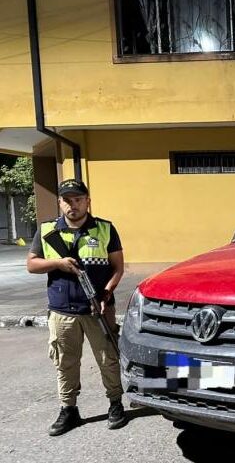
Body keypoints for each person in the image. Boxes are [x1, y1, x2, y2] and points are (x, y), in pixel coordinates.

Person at [27, 179, 128, 436]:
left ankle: (115, 404)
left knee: (108, 359)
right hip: (62, 310)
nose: (73, 205)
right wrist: (58, 263)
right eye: (67, 200)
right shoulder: (47, 230)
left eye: (78, 199)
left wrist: (107, 292)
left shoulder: (104, 229)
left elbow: (118, 268)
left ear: (87, 201)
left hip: (97, 309)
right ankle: (68, 409)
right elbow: (32, 264)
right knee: (65, 362)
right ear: (60, 202)